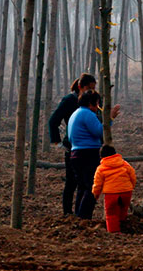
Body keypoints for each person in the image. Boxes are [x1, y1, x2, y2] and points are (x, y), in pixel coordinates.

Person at [48, 73, 96, 216]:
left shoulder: (92, 101)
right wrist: (57, 142)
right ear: (80, 87)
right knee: (72, 182)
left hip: (88, 147)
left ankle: (79, 214)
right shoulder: (69, 100)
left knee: (84, 183)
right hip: (73, 147)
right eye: (88, 88)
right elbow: (53, 121)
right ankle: (67, 213)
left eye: (93, 89)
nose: (91, 92)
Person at [68, 90, 121, 219]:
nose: (98, 106)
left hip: (75, 153)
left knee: (82, 186)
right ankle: (84, 217)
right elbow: (100, 132)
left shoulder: (76, 113)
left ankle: (79, 216)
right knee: (92, 187)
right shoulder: (87, 114)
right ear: (91, 103)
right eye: (97, 103)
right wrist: (111, 119)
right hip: (88, 154)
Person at [92, 145, 137, 233]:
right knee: (123, 209)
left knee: (111, 214)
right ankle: (123, 225)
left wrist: (95, 195)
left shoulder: (101, 169)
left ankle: (114, 232)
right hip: (126, 192)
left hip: (111, 194)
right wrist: (131, 186)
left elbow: (97, 184)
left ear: (101, 157)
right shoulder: (125, 164)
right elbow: (133, 176)